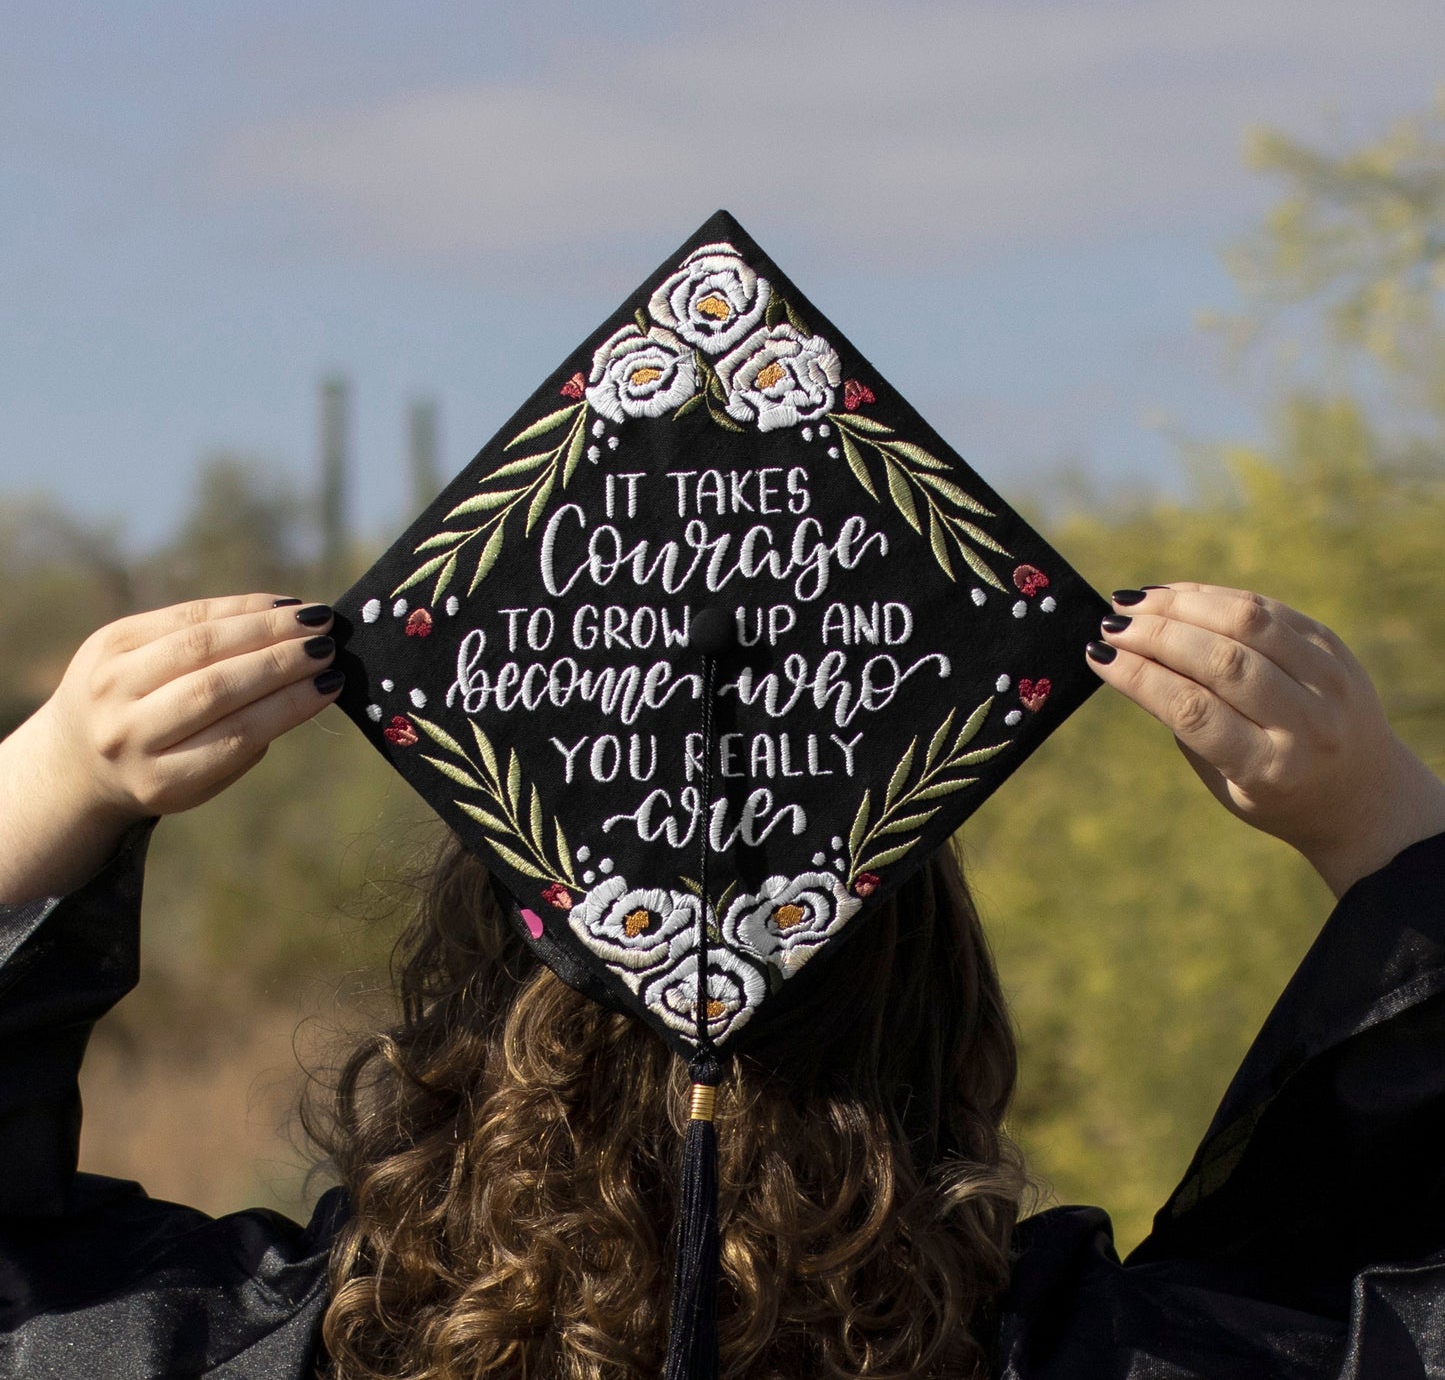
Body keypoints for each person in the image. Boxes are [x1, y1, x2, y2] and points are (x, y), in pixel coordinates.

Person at [2, 582, 1443, 1378]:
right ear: (942, 1012)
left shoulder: (261, 1351)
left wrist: (51, 779)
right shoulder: (1100, 1359)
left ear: (463, 1000)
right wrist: (1379, 821)